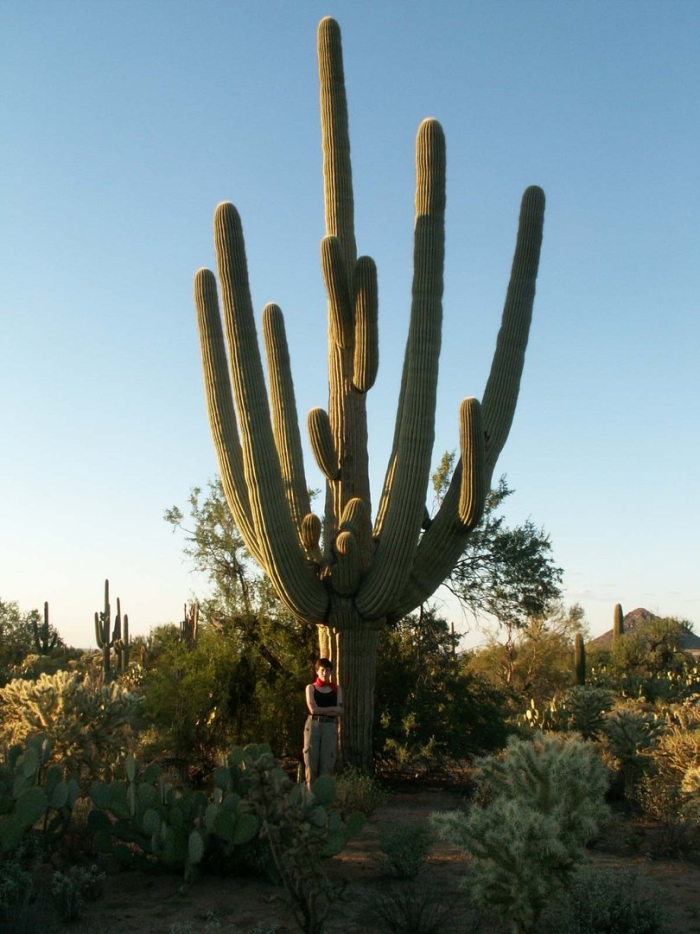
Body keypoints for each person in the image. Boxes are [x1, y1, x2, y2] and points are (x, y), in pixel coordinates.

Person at [303, 657, 343, 788]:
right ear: (317, 671)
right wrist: (332, 709)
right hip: (313, 726)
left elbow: (341, 710)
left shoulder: (336, 689)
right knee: (311, 762)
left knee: (327, 763)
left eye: (328, 670)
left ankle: (323, 802)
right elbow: (313, 710)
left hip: (329, 727)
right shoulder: (311, 688)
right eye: (322, 670)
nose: (325, 673)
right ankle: (310, 798)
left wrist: (324, 710)